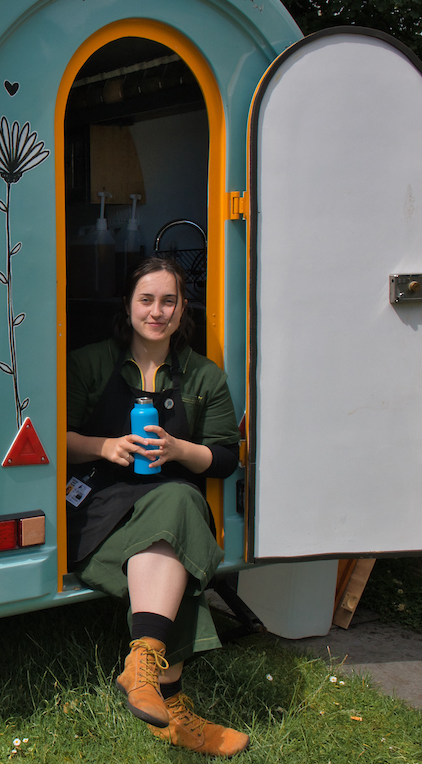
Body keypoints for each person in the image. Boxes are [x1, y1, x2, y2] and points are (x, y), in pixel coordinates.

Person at [66, 257, 246, 757]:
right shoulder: (90, 362)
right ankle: (172, 702)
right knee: (183, 558)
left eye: (169, 300)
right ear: (128, 306)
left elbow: (225, 457)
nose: (157, 311)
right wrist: (103, 447)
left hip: (167, 505)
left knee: (179, 501)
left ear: (182, 308)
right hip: (99, 508)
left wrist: (179, 451)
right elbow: (54, 438)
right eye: (147, 299)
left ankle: (145, 666)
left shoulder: (204, 376)